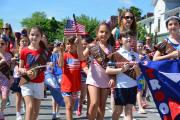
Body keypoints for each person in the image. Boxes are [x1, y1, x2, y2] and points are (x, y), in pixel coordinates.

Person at [83, 22, 115, 120]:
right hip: (93, 78)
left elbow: (113, 66)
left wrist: (113, 78)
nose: (103, 34)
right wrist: (79, 45)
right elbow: (81, 56)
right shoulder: (92, 46)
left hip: (105, 79)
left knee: (102, 107)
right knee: (94, 103)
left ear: (109, 34)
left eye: (106, 32)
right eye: (101, 32)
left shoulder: (111, 49)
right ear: (97, 33)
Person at [106, 30, 140, 120]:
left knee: (129, 110)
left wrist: (137, 69)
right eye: (126, 37)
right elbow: (108, 70)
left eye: (131, 37)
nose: (129, 38)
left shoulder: (136, 55)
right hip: (120, 87)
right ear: (120, 40)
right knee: (118, 110)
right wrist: (122, 69)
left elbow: (139, 75)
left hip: (133, 86)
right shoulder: (115, 55)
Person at [18, 26, 50, 120]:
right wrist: (22, 70)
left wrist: (49, 65)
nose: (34, 37)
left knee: (35, 112)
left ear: (41, 37)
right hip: (27, 81)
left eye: (37, 35)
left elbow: (47, 68)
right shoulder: (24, 51)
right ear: (28, 36)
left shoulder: (44, 52)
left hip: (39, 83)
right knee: (30, 107)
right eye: (32, 34)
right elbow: (20, 67)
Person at [58, 36, 88, 120]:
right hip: (66, 86)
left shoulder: (80, 57)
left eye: (72, 44)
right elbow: (60, 65)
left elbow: (85, 67)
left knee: (72, 107)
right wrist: (61, 52)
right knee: (69, 106)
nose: (69, 46)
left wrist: (89, 73)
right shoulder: (65, 55)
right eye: (67, 44)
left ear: (76, 45)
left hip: (75, 87)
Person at [10, 35, 29, 120]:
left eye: (25, 41)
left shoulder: (29, 52)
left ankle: (25, 108)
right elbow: (11, 65)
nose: (24, 43)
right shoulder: (15, 52)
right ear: (19, 43)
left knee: (26, 96)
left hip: (26, 76)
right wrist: (13, 61)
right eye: (22, 41)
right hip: (17, 76)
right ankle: (18, 114)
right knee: (18, 96)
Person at [0, 34, 13, 119]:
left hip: (5, 79)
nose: (0, 45)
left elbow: (11, 68)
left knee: (4, 97)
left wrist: (12, 77)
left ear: (6, 44)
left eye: (2, 43)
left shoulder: (9, 55)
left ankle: (1, 111)